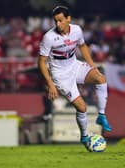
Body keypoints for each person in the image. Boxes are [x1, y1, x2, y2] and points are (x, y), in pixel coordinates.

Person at [38, 6, 112, 149]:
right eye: (55, 21)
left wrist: (92, 65)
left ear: (68, 19)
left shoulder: (77, 30)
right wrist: (51, 84)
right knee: (82, 107)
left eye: (60, 20)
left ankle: (101, 115)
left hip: (75, 66)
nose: (58, 24)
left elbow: (83, 46)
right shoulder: (49, 37)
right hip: (60, 75)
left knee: (101, 78)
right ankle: (84, 136)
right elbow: (41, 62)